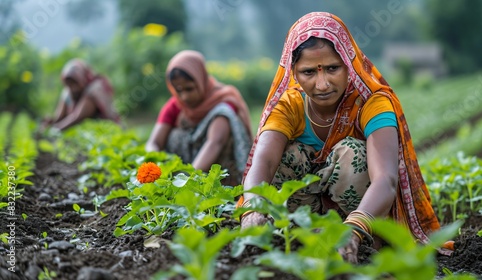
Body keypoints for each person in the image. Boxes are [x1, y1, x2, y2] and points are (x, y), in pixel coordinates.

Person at [238, 12, 453, 263]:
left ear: (349, 64)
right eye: (309, 72)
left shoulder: (372, 103)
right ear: (294, 73)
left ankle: (361, 245)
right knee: (288, 155)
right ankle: (296, 238)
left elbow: (386, 179)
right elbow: (262, 162)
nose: (322, 84)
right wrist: (253, 206)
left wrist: (355, 229)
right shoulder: (290, 106)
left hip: (359, 224)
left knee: (353, 152)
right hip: (301, 218)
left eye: (332, 68)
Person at [145, 50, 253, 186]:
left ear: (201, 79)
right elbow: (153, 142)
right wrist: (154, 167)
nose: (185, 97)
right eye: (179, 90)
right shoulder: (176, 105)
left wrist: (187, 181)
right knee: (173, 135)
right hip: (184, 171)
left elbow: (215, 142)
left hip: (217, 174)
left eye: (189, 89)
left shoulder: (223, 101)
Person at [42, 58, 120, 131]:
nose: (73, 88)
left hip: (109, 132)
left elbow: (77, 118)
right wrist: (50, 123)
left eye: (75, 83)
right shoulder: (68, 92)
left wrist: (54, 130)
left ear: (82, 78)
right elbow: (59, 118)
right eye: (69, 84)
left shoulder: (95, 89)